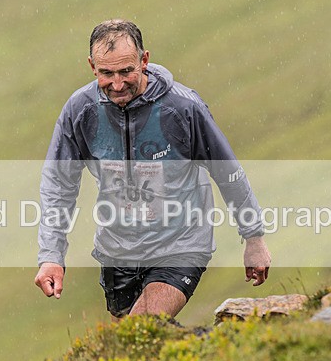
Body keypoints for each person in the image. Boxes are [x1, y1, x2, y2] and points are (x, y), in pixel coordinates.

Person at [34, 19, 271, 320]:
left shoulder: (182, 108)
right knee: (135, 348)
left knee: (141, 327)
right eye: (106, 73)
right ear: (92, 66)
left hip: (181, 244)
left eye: (126, 71)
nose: (117, 84)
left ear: (144, 61)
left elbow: (227, 172)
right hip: (118, 250)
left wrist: (254, 238)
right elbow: (58, 185)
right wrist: (52, 256)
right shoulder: (81, 111)